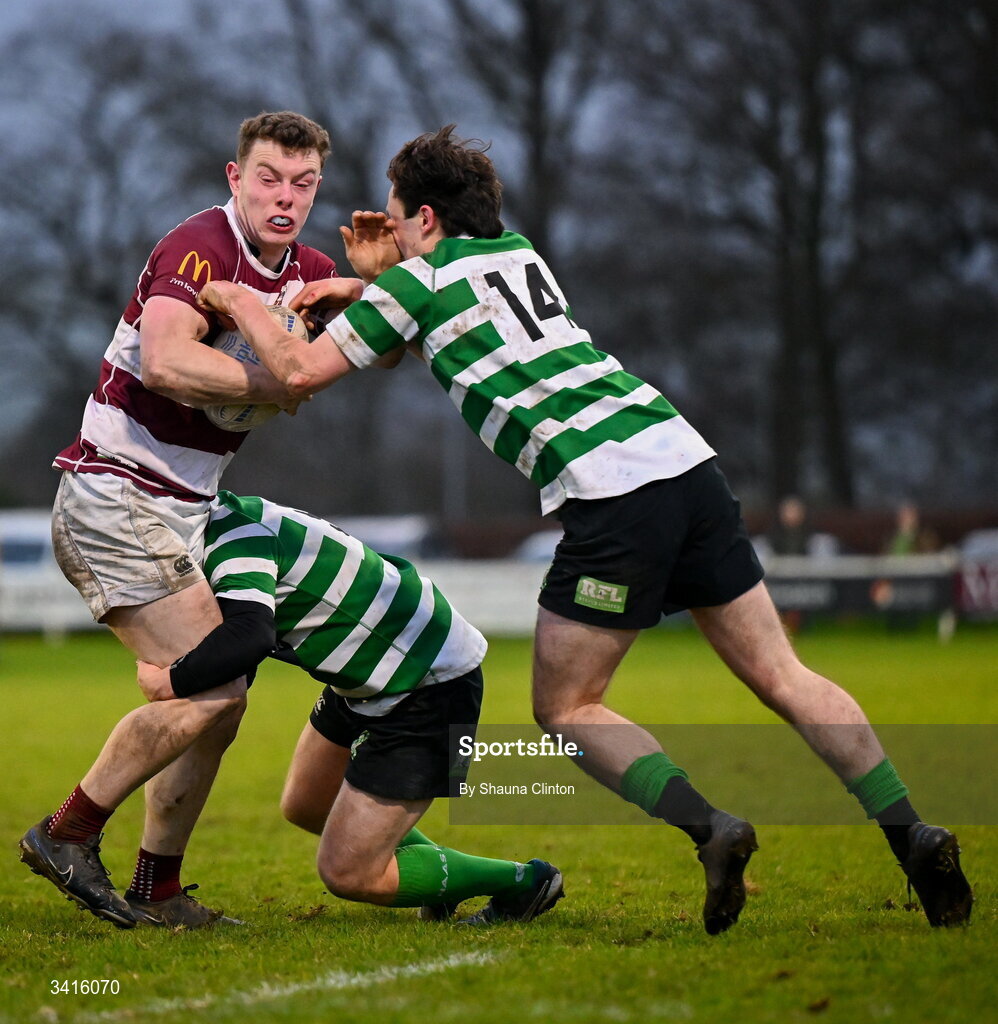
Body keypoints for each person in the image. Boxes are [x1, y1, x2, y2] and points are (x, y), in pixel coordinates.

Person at [198, 125, 973, 932]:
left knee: (566, 707)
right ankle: (908, 830)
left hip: (614, 496)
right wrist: (368, 287)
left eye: (394, 221)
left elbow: (296, 371)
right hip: (687, 463)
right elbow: (438, 317)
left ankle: (712, 829)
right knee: (783, 674)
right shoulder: (521, 254)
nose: (386, 233)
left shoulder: (415, 284)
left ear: (425, 220)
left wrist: (241, 300)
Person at [19, 111, 353, 930]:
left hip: (177, 509)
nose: (285, 196)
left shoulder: (308, 269)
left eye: (302, 183)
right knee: (213, 689)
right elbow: (168, 360)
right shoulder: (200, 244)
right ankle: (67, 833)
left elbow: (361, 351)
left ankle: (157, 887)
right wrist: (280, 379)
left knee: (225, 697)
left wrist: (370, 286)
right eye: (269, 177)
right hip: (116, 494)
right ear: (233, 178)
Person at [135, 490, 564, 924]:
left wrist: (169, 680)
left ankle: (526, 881)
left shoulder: (229, 545)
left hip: (425, 680)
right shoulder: (223, 525)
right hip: (368, 675)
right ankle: (444, 880)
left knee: (348, 872)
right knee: (306, 804)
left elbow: (250, 637)